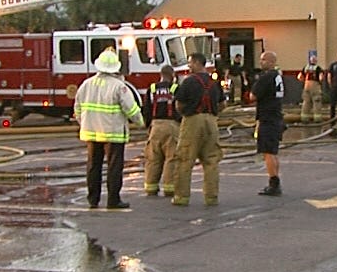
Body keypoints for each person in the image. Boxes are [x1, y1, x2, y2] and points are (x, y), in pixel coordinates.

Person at [74, 49, 144, 209]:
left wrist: (84, 123)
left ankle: (93, 199)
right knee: (114, 167)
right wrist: (141, 122)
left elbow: (77, 109)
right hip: (113, 134)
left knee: (93, 166)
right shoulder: (119, 86)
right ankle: (113, 200)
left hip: (91, 133)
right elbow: (131, 109)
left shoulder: (86, 84)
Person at [170, 52, 225, 206]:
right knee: (211, 160)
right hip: (212, 122)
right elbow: (222, 104)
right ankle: (211, 197)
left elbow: (179, 104)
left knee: (185, 159)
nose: (189, 66)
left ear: (196, 63)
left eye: (190, 63)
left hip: (192, 120)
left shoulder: (188, 82)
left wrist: (185, 114)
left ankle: (181, 197)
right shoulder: (215, 83)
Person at [142, 64, 180, 197]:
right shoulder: (175, 89)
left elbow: (146, 109)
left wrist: (148, 125)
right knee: (172, 158)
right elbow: (180, 108)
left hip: (155, 126)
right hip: (172, 125)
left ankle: (151, 187)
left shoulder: (152, 89)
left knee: (153, 158)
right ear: (172, 76)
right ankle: (169, 188)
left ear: (161, 75)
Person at [253, 51, 286, 196]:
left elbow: (253, 95)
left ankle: (274, 183)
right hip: (276, 116)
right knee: (273, 151)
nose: (261, 62)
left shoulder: (266, 77)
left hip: (268, 118)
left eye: (264, 60)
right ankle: (275, 180)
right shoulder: (278, 76)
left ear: (272, 62)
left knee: (268, 152)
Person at [298, 55, 325, 123]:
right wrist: (320, 82)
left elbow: (299, 76)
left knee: (306, 102)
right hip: (315, 85)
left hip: (306, 85)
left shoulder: (306, 67)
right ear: (316, 61)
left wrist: (304, 81)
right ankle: (317, 119)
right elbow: (321, 77)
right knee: (316, 102)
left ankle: (304, 119)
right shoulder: (318, 68)